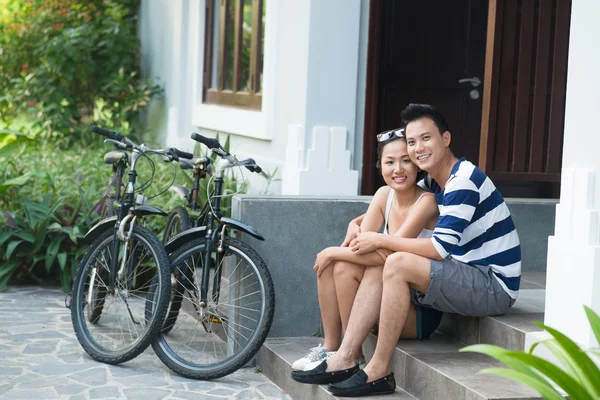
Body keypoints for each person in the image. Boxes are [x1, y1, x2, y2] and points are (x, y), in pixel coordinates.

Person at [292, 103, 521, 397]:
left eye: (426, 138)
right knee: (382, 264)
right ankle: (346, 355)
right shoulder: (435, 178)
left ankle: (378, 370)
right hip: (465, 271)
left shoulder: (462, 181)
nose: (417, 148)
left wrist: (382, 240)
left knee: (397, 263)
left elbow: (437, 249)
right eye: (412, 141)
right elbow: (404, 194)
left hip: (492, 284)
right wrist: (356, 221)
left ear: (446, 138)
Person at [291, 128, 441, 373]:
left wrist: (331, 251)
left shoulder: (426, 203)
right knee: (338, 266)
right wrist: (341, 249)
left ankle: (349, 351)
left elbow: (389, 253)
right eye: (389, 162)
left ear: (416, 164)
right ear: (380, 166)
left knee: (337, 260)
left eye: (405, 161)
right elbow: (359, 250)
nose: (398, 169)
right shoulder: (384, 195)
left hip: (415, 311)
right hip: (381, 298)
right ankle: (333, 347)